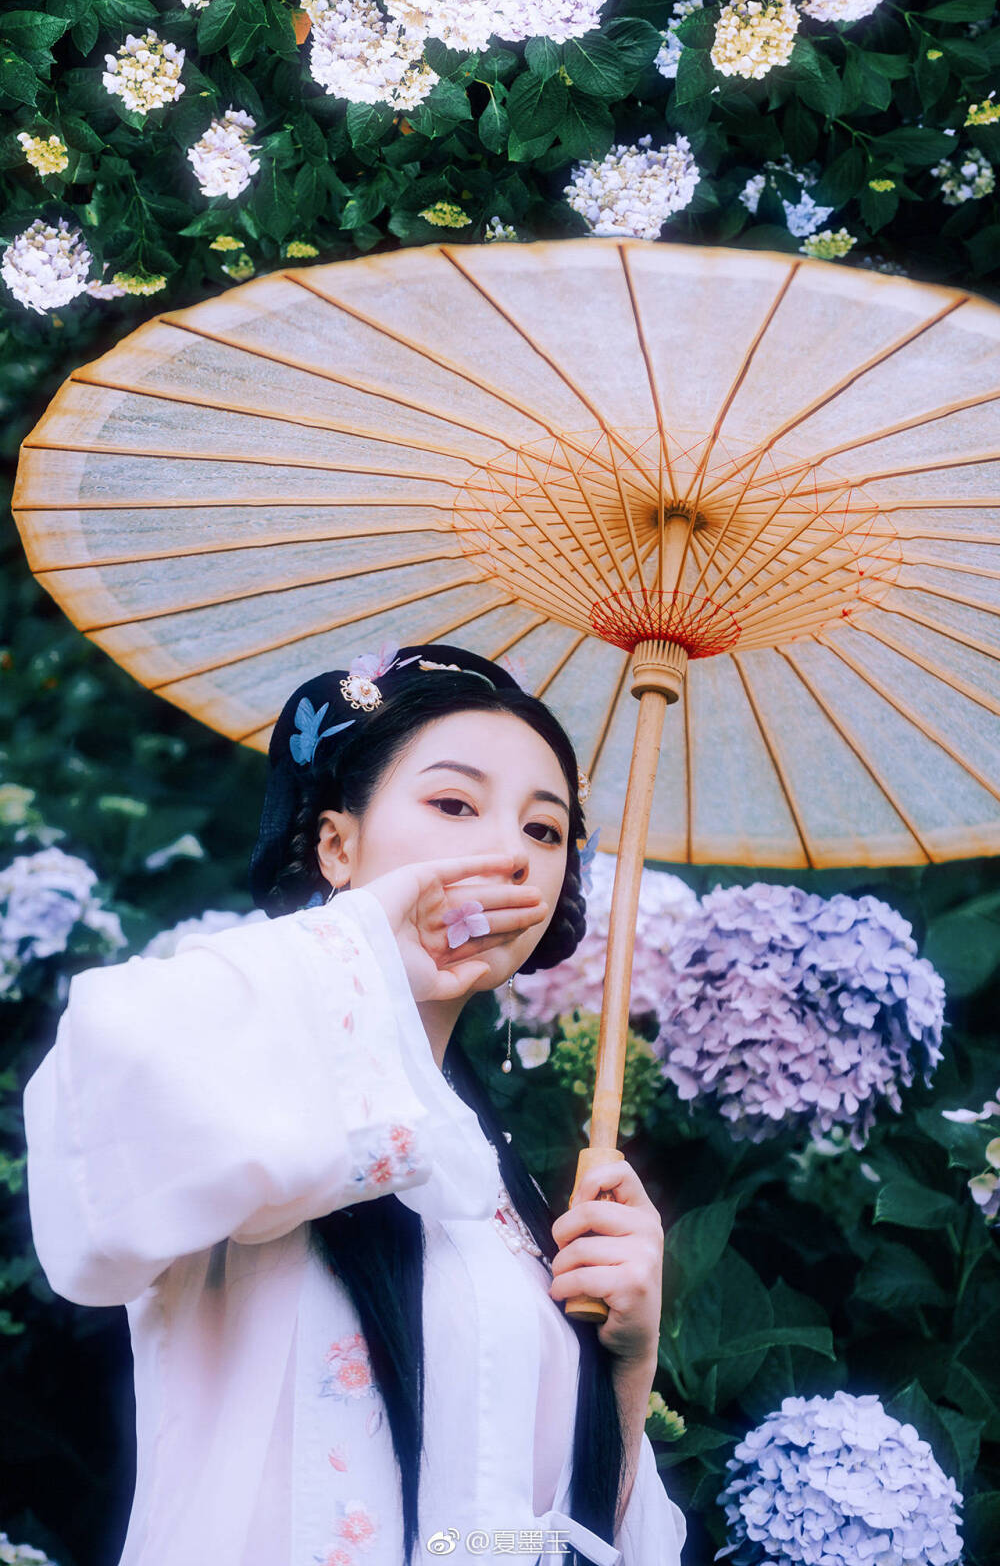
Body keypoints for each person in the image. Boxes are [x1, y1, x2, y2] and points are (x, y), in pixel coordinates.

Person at [22, 639, 686, 1566]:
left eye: (545, 831)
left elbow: (513, 1538)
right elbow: (97, 1146)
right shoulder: (246, 1054)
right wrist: (367, 941)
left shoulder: (508, 1200)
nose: (512, 853)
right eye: (455, 804)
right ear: (337, 843)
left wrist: (626, 1366)